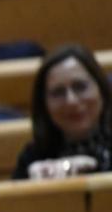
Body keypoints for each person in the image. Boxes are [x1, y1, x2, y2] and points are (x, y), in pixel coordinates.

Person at [13, 44, 111, 180]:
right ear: (44, 104)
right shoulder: (33, 157)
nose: (71, 101)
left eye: (80, 87)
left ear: (101, 89)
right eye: (58, 93)